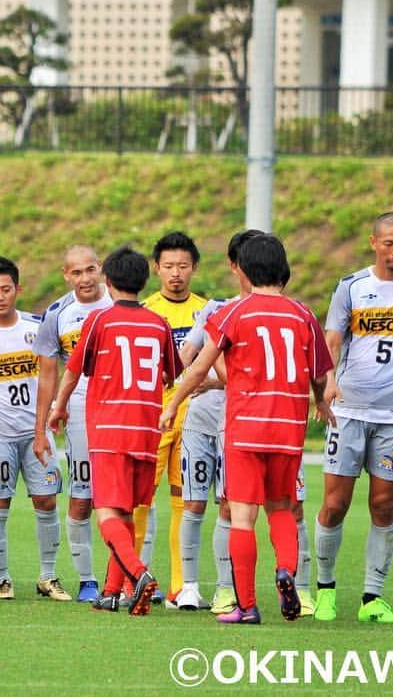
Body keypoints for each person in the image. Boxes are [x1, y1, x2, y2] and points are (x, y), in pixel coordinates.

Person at [161, 234, 334, 624]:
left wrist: (173, 403)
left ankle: (247, 605)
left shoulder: (233, 313)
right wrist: (320, 400)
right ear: (282, 268)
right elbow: (320, 373)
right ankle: (286, 570)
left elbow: (201, 366)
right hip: (288, 428)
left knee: (242, 517)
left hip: (245, 428)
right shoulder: (303, 314)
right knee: (282, 508)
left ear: (244, 268)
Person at [315, 212, 393, 624]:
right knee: (335, 504)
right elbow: (331, 339)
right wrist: (328, 383)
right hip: (348, 412)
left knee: (384, 505)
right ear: (373, 242)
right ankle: (325, 590)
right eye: (388, 243)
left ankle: (373, 597)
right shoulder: (351, 287)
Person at [49, 246, 181, 616]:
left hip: (109, 427)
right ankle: (111, 592)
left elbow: (74, 369)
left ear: (107, 281)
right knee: (125, 514)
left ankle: (138, 575)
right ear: (145, 281)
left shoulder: (99, 322)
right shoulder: (159, 324)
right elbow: (173, 373)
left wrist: (59, 406)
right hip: (145, 428)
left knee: (106, 513)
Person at [174, 229, 262, 614]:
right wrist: (198, 372)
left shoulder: (267, 315)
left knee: (229, 504)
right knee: (192, 502)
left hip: (237, 421)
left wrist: (215, 376)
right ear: (234, 266)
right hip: (200, 419)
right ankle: (189, 587)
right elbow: (187, 351)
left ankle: (226, 588)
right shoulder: (216, 309)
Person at [0, 256, 70, 601]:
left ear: (18, 289)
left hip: (36, 432)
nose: (0, 297)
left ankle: (48, 576)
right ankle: (0, 577)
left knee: (46, 501)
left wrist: (47, 420)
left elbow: (51, 373)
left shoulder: (36, 327)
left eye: (6, 289)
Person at [33, 245, 113, 603]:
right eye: (76, 272)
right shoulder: (57, 314)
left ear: (101, 269)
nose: (85, 278)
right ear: (66, 275)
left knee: (132, 497)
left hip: (122, 409)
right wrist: (42, 428)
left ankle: (130, 574)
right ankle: (88, 580)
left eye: (90, 269)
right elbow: (47, 376)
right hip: (80, 410)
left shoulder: (120, 301)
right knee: (82, 497)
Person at [139, 232, 207, 607]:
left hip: (195, 417)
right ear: (156, 269)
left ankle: (182, 587)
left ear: (194, 268)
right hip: (156, 416)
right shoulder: (147, 311)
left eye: (183, 266)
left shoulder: (208, 311)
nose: (176, 274)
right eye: (168, 267)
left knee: (186, 502)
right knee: (141, 500)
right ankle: (137, 578)